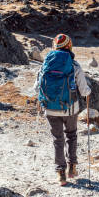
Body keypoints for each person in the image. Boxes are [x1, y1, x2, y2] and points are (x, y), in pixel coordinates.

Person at [33, 33, 91, 186]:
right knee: (71, 135)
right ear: (69, 46)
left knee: (57, 139)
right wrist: (88, 92)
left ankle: (60, 174)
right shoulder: (74, 65)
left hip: (50, 108)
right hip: (70, 108)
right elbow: (84, 91)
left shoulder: (46, 63)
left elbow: (36, 87)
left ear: (55, 46)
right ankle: (72, 167)